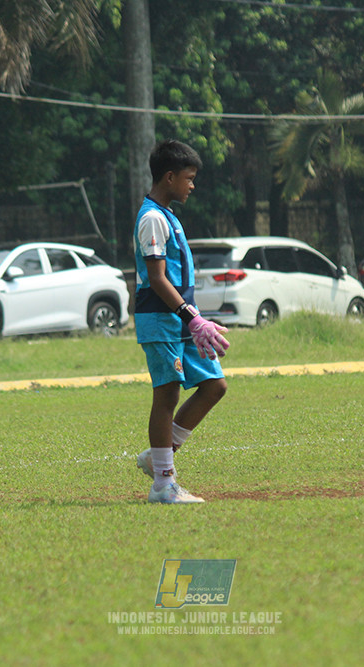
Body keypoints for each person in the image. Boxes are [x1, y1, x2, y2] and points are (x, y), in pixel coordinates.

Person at [132, 140, 229, 504]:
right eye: (188, 178)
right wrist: (192, 317)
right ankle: (163, 484)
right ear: (169, 177)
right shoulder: (153, 218)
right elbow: (157, 278)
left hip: (182, 320)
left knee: (214, 386)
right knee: (168, 393)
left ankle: (159, 454)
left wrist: (193, 319)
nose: (192, 185)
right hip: (163, 320)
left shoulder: (167, 214)